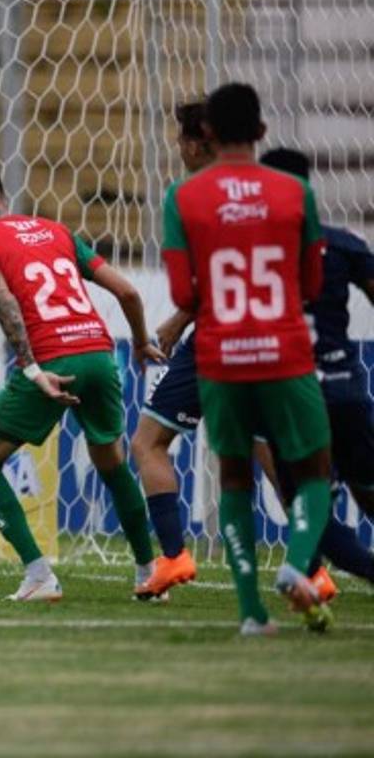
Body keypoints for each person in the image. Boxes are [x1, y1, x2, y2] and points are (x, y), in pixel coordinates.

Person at [162, 82, 333, 634]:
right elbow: (312, 282)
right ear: (261, 132)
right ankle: (295, 563)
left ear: (206, 132)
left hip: (219, 356)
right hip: (284, 352)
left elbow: (184, 295)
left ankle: (252, 616)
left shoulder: (182, 198)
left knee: (234, 478)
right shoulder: (293, 192)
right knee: (313, 473)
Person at [0, 167, 164, 601]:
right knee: (112, 463)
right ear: (3, 200)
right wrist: (142, 343)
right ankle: (150, 574)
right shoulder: (57, 231)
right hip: (100, 354)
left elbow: (4, 297)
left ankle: (39, 576)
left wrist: (31, 368)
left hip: (52, 359)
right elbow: (127, 292)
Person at [132, 102, 279, 599]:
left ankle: (173, 557)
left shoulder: (187, 194)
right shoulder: (274, 190)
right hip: (270, 331)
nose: (178, 149)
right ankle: (313, 564)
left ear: (198, 143)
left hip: (215, 335)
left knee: (147, 443)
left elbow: (194, 279)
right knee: (264, 446)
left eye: (180, 140)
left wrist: (176, 320)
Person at [257, 147, 374, 593]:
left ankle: (360, 568)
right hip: (345, 390)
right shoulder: (343, 243)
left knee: (309, 502)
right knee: (367, 484)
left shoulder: (256, 253)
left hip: (293, 395)